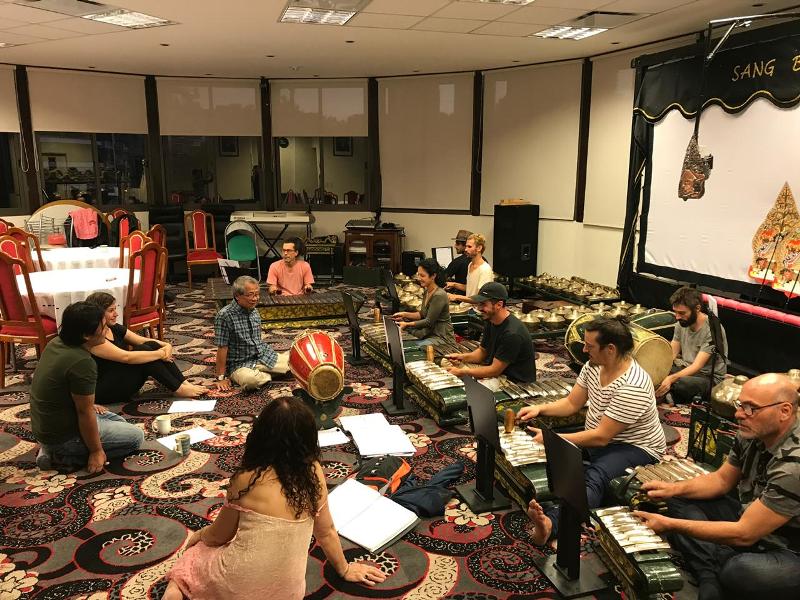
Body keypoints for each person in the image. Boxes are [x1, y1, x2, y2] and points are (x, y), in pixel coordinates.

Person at [164, 396, 386, 600]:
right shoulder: (314, 473)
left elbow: (218, 536)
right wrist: (344, 570)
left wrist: (199, 536)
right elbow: (326, 532)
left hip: (234, 587)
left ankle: (176, 588)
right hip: (288, 593)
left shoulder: (246, 479)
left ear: (260, 434)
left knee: (196, 553)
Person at [634, 373, 800, 600]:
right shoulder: (751, 432)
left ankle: (710, 567)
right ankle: (710, 574)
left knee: (739, 571)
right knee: (677, 498)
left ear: (785, 411)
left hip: (790, 546)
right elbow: (721, 481)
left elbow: (745, 534)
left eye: (751, 408)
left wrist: (669, 524)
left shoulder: (794, 465)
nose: (739, 414)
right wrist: (671, 489)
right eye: (740, 405)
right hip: (753, 516)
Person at [519, 316, 666, 546]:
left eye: (590, 345)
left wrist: (553, 439)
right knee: (549, 449)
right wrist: (540, 409)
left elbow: (601, 437)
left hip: (636, 447)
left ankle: (551, 524)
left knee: (594, 477)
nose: (584, 349)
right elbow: (571, 404)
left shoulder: (633, 385)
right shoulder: (593, 366)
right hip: (603, 437)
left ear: (610, 349)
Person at [30, 301, 144, 473]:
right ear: (86, 335)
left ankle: (49, 449)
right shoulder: (82, 362)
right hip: (64, 437)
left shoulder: (57, 342)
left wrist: (89, 407)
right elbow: (84, 412)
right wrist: (96, 451)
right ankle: (61, 456)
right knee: (135, 437)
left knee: (116, 420)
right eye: (103, 327)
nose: (107, 330)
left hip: (48, 428)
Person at [84, 292, 207, 403]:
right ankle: (178, 388)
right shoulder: (94, 338)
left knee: (151, 345)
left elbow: (143, 340)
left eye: (115, 309)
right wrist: (161, 354)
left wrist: (166, 345)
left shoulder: (114, 328)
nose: (116, 314)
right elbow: (126, 357)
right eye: (111, 311)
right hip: (105, 391)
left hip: (120, 378)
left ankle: (183, 383)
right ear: (99, 314)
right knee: (144, 351)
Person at [444, 282, 536, 383]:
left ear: (499, 305)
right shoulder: (490, 320)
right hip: (499, 373)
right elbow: (482, 352)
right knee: (449, 366)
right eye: (479, 304)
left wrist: (463, 372)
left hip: (516, 383)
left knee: (462, 382)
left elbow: (494, 370)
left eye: (483, 304)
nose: (479, 308)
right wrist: (461, 357)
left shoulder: (512, 334)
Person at [213, 276, 290, 392]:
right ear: (237, 296)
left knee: (296, 364)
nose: (255, 298)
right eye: (250, 295)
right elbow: (222, 348)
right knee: (251, 381)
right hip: (239, 364)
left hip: (262, 356)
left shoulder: (254, 311)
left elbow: (257, 341)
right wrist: (220, 378)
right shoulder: (224, 316)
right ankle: (269, 372)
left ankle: (267, 371)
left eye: (257, 294)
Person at [656, 286, 728, 404]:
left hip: (708, 378)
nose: (677, 317)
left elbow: (697, 366)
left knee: (681, 382)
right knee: (656, 370)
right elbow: (672, 354)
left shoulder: (712, 329)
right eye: (676, 312)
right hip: (686, 368)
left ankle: (671, 394)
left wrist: (670, 378)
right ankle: (671, 394)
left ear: (697, 308)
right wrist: (657, 370)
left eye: (682, 313)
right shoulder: (681, 323)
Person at [392, 258, 455, 346]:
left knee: (412, 347)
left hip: (441, 338)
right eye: (418, 275)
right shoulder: (427, 290)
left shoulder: (439, 295)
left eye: (422, 276)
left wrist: (407, 324)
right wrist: (404, 314)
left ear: (433, 276)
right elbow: (422, 314)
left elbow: (428, 321)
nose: (419, 278)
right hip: (429, 333)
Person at [446, 233, 493, 304]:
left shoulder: (485, 269)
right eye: (466, 246)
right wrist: (454, 284)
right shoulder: (470, 264)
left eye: (469, 247)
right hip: (467, 306)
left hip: (476, 311)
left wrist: (456, 296)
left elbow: (481, 297)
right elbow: (470, 288)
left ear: (479, 248)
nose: (466, 249)